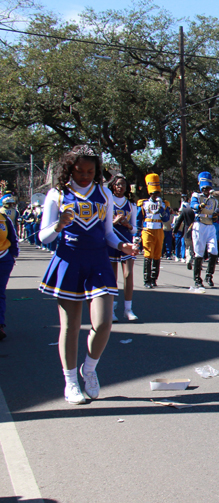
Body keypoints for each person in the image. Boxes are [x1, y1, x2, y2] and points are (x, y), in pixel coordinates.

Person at [38, 145, 137, 404]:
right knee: (70, 326)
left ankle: (89, 370)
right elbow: (43, 235)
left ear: (97, 170)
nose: (84, 176)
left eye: (90, 171)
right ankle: (70, 382)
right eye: (79, 170)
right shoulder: (57, 194)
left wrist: (121, 245)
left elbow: (107, 233)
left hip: (98, 261)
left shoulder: (103, 193)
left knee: (104, 322)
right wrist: (59, 224)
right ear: (69, 169)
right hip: (69, 260)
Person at [107, 175, 138, 321]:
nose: (120, 187)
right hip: (112, 241)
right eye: (118, 184)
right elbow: (104, 225)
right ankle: (112, 309)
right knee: (112, 276)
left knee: (128, 274)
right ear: (113, 186)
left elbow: (134, 229)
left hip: (126, 239)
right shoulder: (107, 202)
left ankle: (128, 309)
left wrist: (127, 224)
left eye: (123, 185)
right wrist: (114, 222)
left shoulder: (131, 205)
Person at [136, 174, 169, 289]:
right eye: (153, 193)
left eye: (157, 193)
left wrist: (161, 207)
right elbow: (138, 219)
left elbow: (166, 218)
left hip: (159, 230)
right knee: (148, 254)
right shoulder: (143, 204)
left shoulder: (164, 204)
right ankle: (147, 279)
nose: (156, 195)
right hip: (147, 230)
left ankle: (154, 279)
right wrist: (136, 234)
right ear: (150, 193)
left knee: (157, 254)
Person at [190, 172, 219, 287]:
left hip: (210, 226)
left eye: (208, 188)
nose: (207, 190)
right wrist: (199, 206)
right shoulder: (196, 196)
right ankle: (197, 279)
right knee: (199, 251)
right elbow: (193, 205)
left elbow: (215, 212)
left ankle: (209, 275)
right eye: (205, 188)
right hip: (199, 224)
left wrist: (217, 216)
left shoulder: (214, 200)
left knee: (214, 250)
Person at [0, 205, 17, 341]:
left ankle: (0, 325)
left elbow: (12, 239)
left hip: (3, 260)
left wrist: (12, 256)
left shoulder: (4, 219)